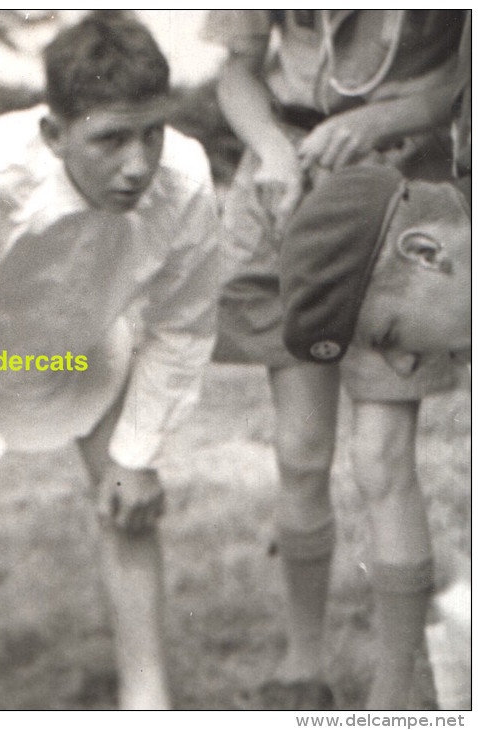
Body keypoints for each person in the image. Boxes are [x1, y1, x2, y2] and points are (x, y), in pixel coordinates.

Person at [0, 11, 220, 710]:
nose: (137, 163)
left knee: (129, 503)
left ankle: (145, 698)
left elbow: (182, 326)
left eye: (152, 131)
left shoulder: (184, 178)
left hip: (87, 345)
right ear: (53, 131)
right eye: (110, 139)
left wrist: (138, 452)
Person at [202, 9, 468, 709]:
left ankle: (391, 698)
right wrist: (272, 149)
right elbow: (236, 69)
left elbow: (463, 81)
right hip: (285, 183)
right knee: (298, 449)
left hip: (401, 188)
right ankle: (301, 664)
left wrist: (380, 121)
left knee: (381, 457)